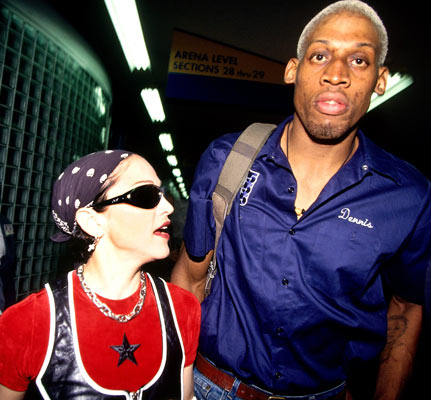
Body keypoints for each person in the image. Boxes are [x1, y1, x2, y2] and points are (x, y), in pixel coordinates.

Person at [171, 1, 431, 399]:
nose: (336, 74)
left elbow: (406, 308)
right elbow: (189, 279)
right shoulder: (227, 160)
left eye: (358, 60)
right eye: (320, 55)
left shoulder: (407, 195)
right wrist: (175, 382)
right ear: (293, 70)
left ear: (380, 80)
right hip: (208, 386)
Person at [0, 150, 201, 400]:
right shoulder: (27, 324)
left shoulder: (182, 307)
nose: (168, 207)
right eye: (146, 194)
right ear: (92, 222)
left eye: (161, 193)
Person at [0, 213, 16, 314]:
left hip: (4, 266)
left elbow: (11, 241)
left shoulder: (6, 222)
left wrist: (10, 259)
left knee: (7, 298)